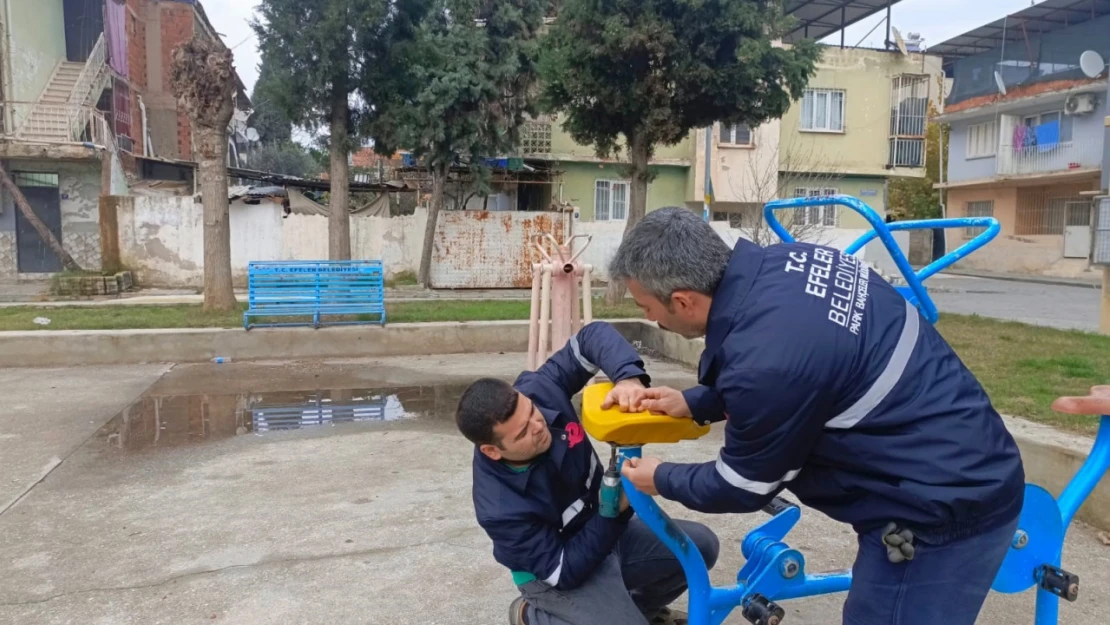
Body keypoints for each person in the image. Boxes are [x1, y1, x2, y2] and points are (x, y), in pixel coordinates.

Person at [609, 207, 1025, 625]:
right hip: (961, 456)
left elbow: (741, 484)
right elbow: (815, 374)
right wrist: (697, 402)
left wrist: (660, 477)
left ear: (682, 300)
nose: (649, 318)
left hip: (941, 512)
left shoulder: (764, 361)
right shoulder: (794, 261)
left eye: (647, 307)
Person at [455, 321, 720, 625]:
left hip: (606, 533)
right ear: (492, 450)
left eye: (531, 412)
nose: (538, 426)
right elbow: (565, 570)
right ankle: (533, 615)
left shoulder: (540, 389)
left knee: (701, 548)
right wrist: (613, 510)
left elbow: (591, 337)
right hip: (556, 572)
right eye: (522, 433)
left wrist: (627, 378)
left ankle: (641, 611)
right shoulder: (499, 509)